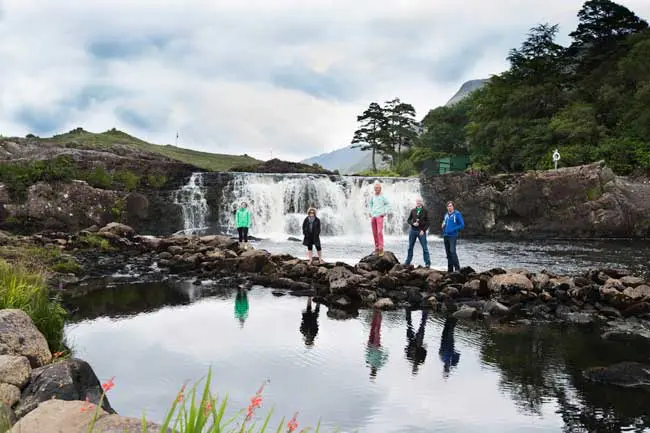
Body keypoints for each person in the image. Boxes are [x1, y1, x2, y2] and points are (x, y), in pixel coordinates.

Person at [404, 197, 431, 268]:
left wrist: (423, 230)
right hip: (412, 231)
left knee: (425, 248)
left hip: (421, 231)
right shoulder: (413, 210)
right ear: (416, 202)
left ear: (422, 202)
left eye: (420, 201)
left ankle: (427, 263)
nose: (418, 202)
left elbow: (428, 222)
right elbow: (408, 220)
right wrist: (413, 223)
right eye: (417, 201)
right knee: (410, 247)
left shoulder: (425, 211)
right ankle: (407, 262)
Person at [367, 182, 390, 256]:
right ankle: (376, 248)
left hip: (380, 216)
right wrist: (370, 212)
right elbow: (370, 204)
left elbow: (388, 204)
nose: (376, 189)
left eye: (378, 188)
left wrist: (385, 212)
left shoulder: (383, 197)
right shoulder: (372, 197)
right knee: (374, 232)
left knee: (379, 232)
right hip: (373, 216)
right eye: (375, 188)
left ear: (380, 189)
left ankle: (381, 248)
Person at [365, 309, 389, 380]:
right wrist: (382, 351)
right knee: (376, 331)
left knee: (373, 329)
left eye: (372, 372)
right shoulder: (378, 364)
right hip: (375, 346)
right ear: (375, 372)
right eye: (373, 372)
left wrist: (383, 351)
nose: (372, 371)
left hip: (371, 345)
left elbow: (367, 353)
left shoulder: (370, 362)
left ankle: (376, 314)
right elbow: (385, 357)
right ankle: (378, 315)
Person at [441, 201, 464, 272]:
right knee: (448, 253)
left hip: (453, 236)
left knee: (452, 251)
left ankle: (457, 269)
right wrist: (443, 225)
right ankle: (450, 270)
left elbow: (462, 225)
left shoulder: (457, 214)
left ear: (453, 206)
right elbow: (444, 222)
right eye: (448, 206)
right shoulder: (446, 215)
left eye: (450, 206)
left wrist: (452, 229)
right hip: (445, 235)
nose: (449, 207)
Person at [404, 308, 428, 375]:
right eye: (415, 368)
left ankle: (408, 310)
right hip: (419, 342)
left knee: (409, 325)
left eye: (414, 368)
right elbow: (425, 351)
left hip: (411, 341)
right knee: (422, 326)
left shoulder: (409, 358)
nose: (415, 366)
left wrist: (410, 348)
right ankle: (425, 311)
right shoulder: (421, 360)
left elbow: (405, 349)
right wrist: (420, 347)